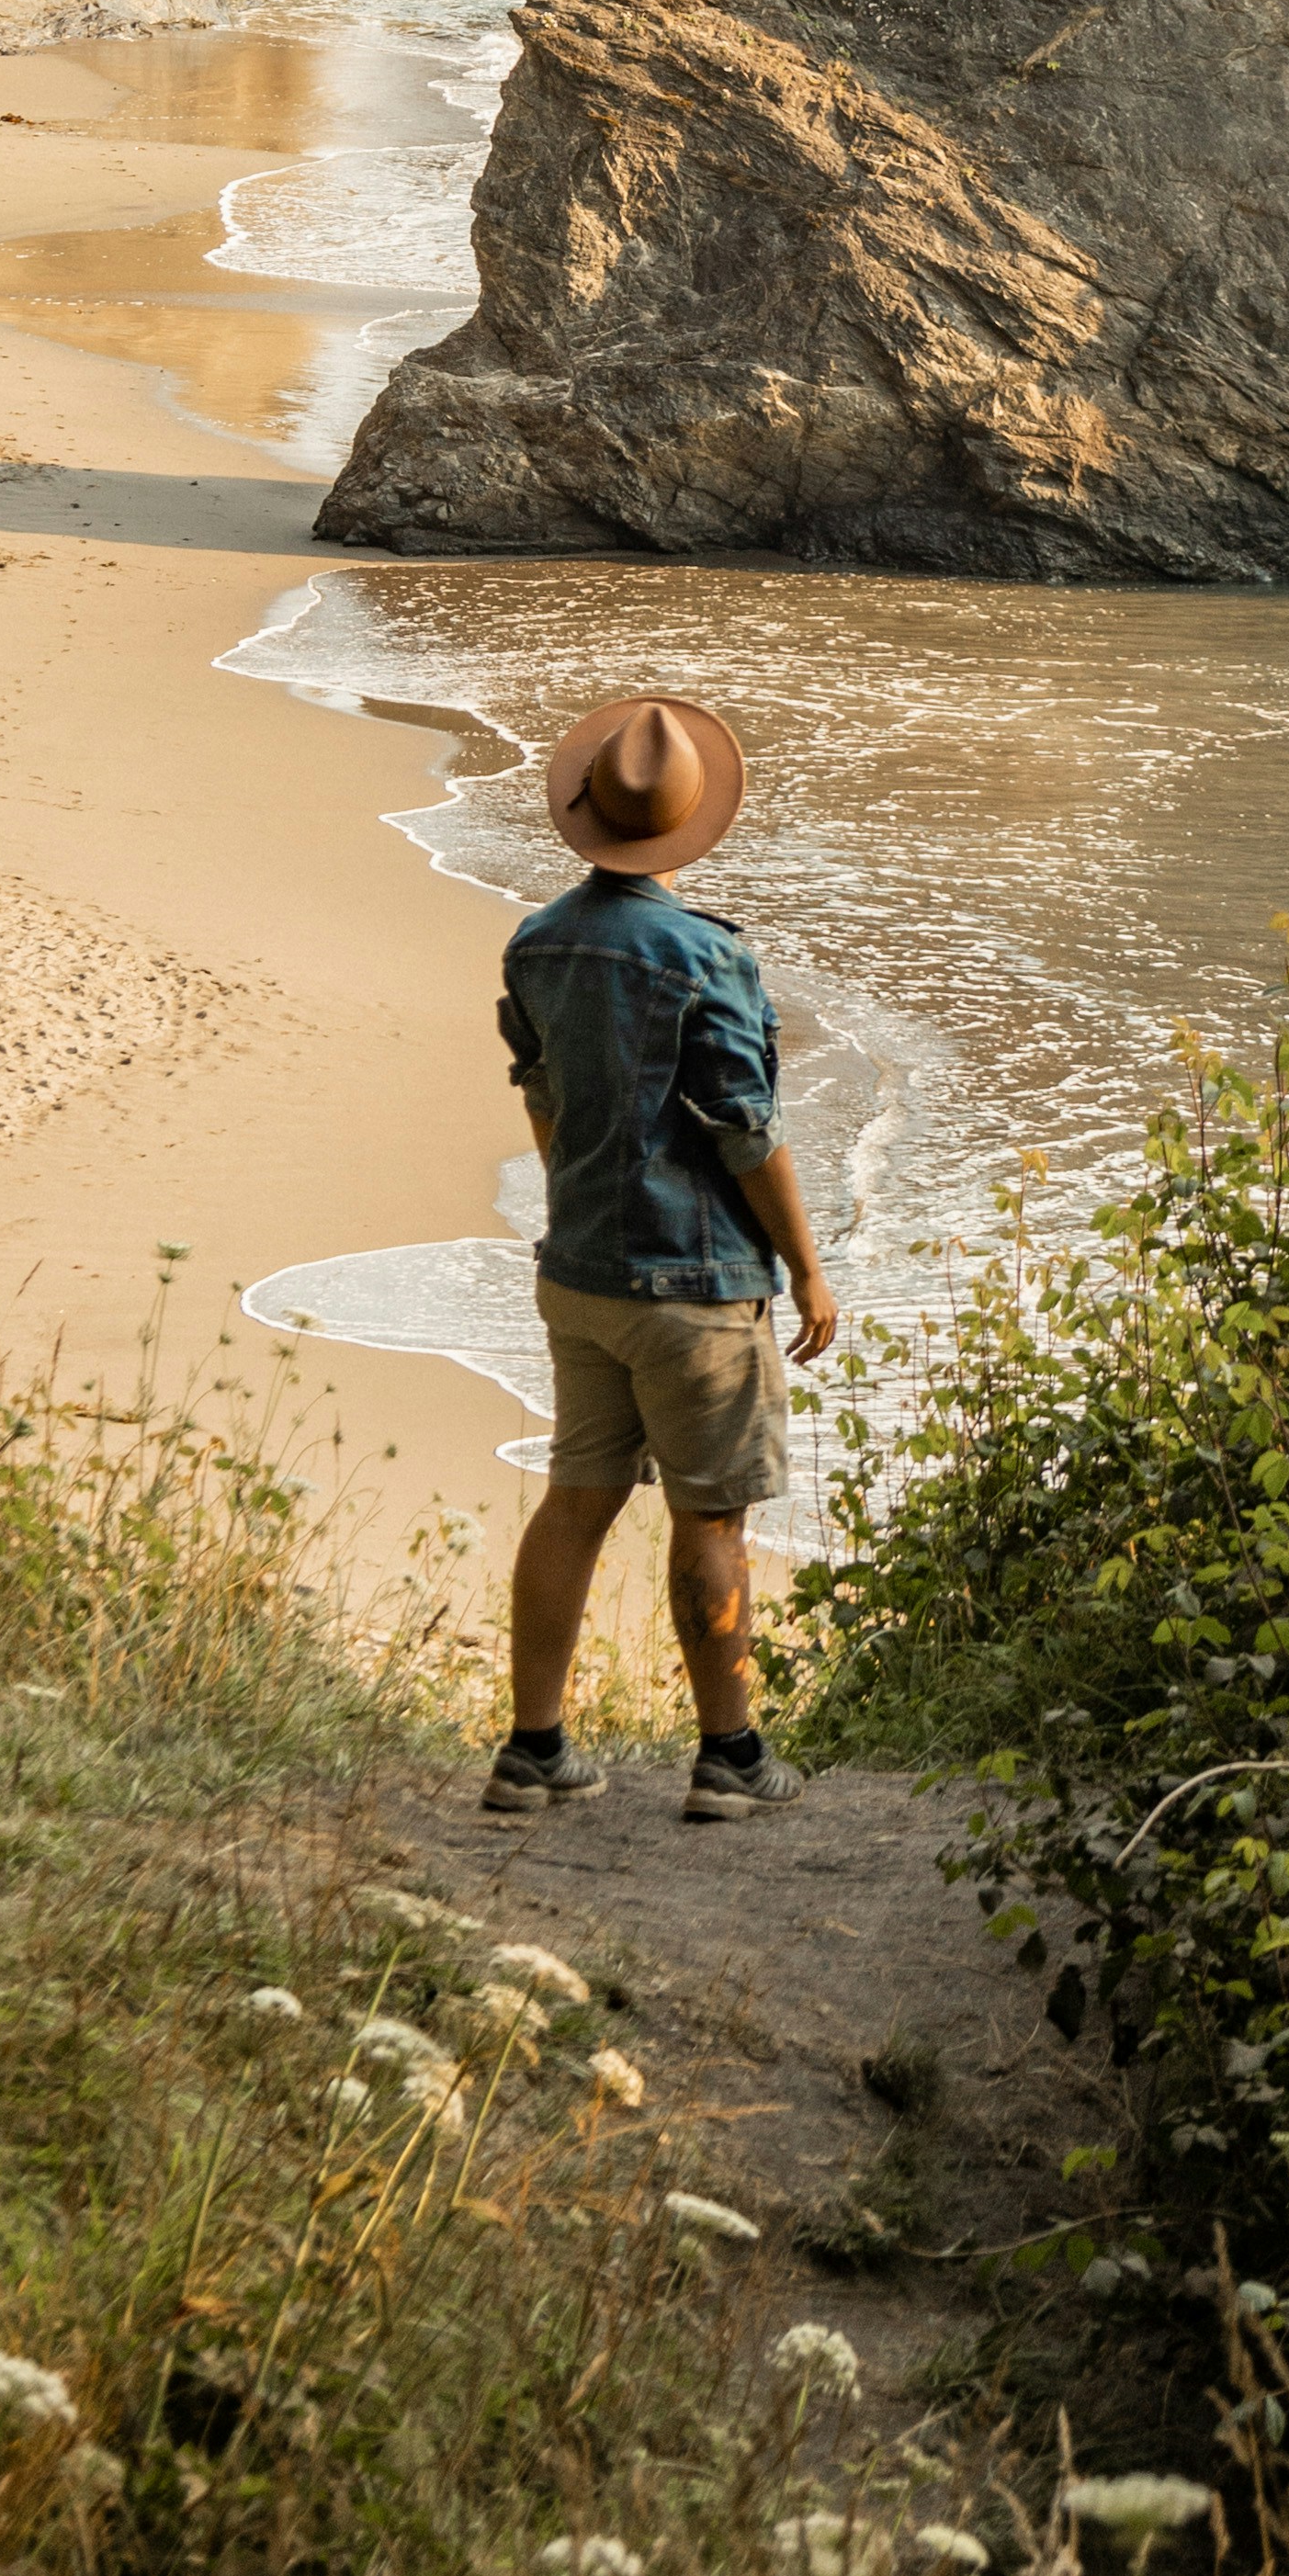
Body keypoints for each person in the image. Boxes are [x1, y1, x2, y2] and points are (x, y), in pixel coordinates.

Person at [482, 686, 839, 1824]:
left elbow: (542, 1100)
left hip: (577, 1267)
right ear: (693, 824)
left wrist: (582, 1203)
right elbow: (746, 1134)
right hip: (694, 1284)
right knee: (712, 1518)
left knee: (574, 1502)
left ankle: (533, 1750)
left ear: (586, 809)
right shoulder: (704, 956)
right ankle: (728, 1758)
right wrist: (808, 1268)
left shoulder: (538, 941)